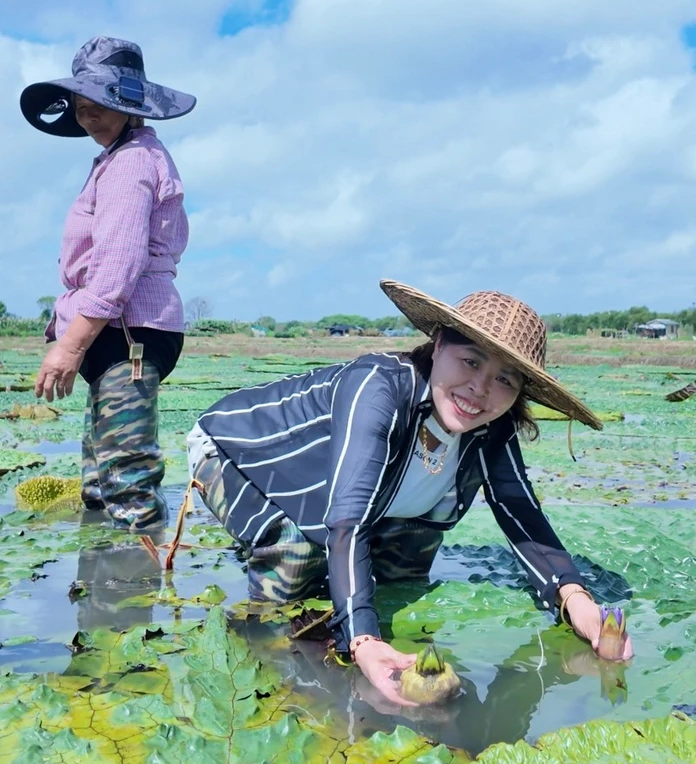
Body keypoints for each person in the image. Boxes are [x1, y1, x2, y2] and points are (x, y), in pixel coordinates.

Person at [185, 280, 633, 704]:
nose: (480, 389)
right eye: (472, 362)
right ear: (438, 344)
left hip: (357, 501)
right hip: (239, 455)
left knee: (405, 574)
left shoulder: (491, 425)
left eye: (505, 380)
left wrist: (575, 598)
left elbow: (521, 514)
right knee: (298, 552)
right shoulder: (377, 386)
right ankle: (269, 653)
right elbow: (348, 519)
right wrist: (363, 640)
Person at [20, 36, 195, 532]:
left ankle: (131, 598)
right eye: (79, 109)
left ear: (128, 105)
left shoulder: (133, 161)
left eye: (98, 106)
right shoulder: (116, 159)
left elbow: (118, 264)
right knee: (100, 480)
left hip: (128, 332)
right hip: (115, 332)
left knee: (126, 483)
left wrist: (70, 347)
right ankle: (99, 599)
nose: (87, 118)